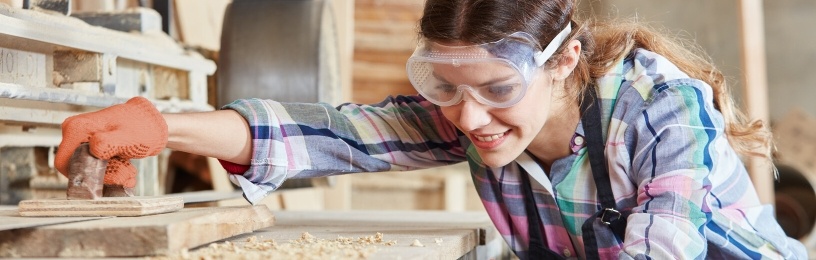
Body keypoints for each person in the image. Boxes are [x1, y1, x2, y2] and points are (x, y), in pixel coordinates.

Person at [54, 0, 807, 259]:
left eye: (497, 89)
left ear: (565, 58)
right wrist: (164, 125)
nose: (468, 118)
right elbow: (335, 135)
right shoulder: (474, 114)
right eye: (444, 87)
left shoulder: (659, 109)